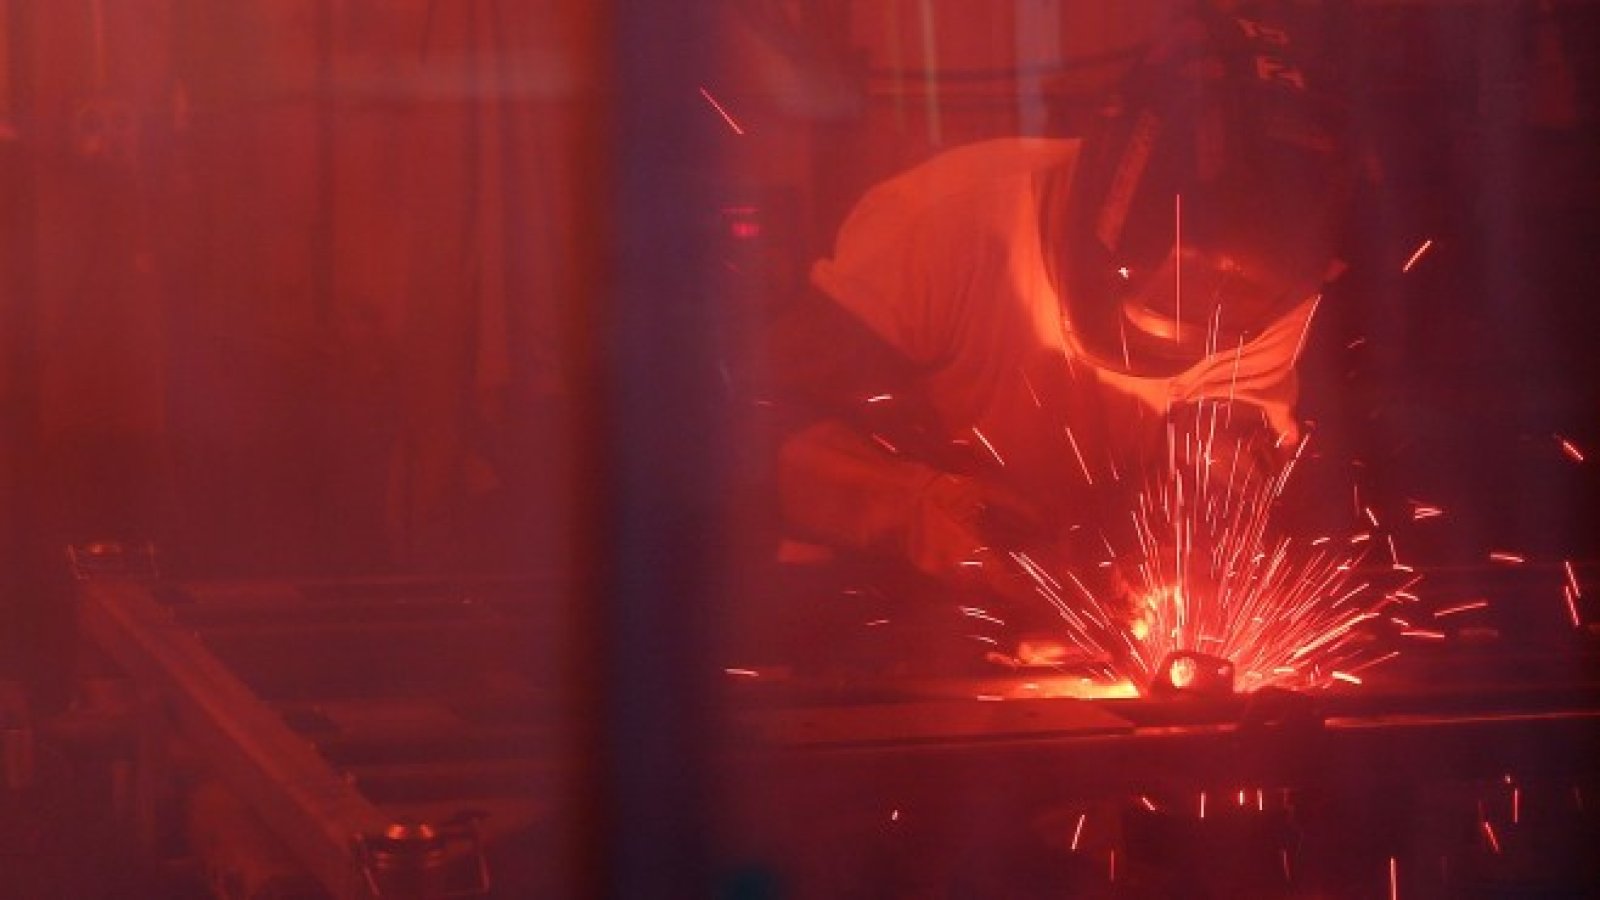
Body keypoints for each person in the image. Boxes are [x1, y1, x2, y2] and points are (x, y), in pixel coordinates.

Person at [767, 1, 1358, 646]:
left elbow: (1224, 461)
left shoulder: (1274, 289)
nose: (1186, 323)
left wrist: (1186, 551)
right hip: (899, 616)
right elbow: (768, 426)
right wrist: (915, 508)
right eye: (1177, 286)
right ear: (1118, 186)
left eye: (1225, 310)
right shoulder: (943, 225)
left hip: (1089, 621)